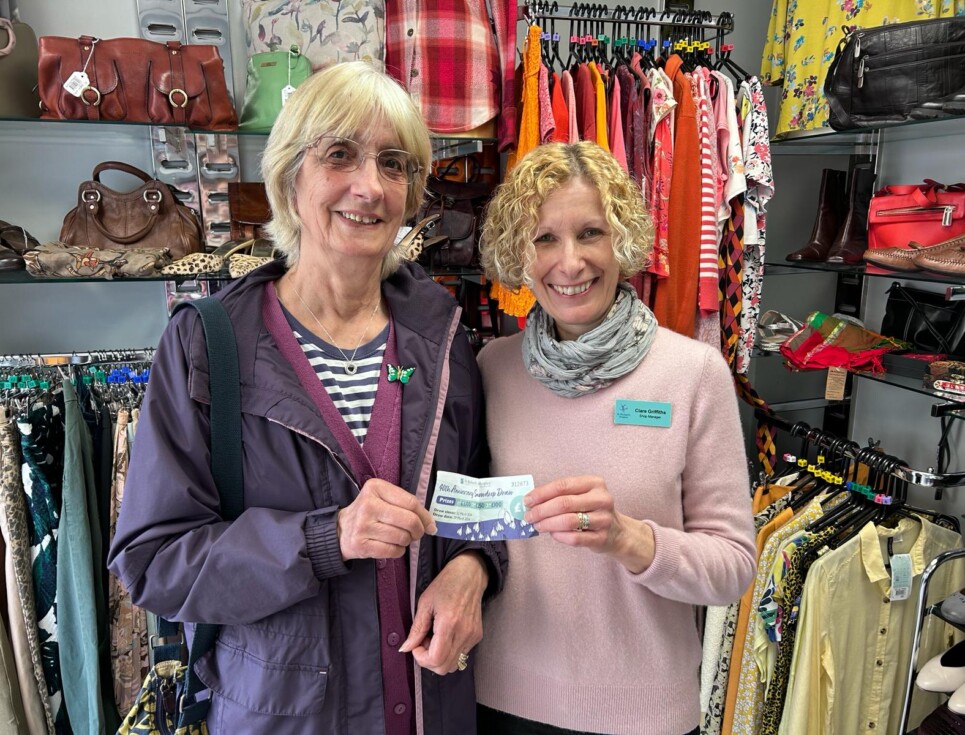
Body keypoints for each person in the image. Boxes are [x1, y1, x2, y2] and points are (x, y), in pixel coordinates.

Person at [107, 61, 506, 734]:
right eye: (340, 155)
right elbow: (152, 562)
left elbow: (476, 495)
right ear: (292, 177)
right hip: (285, 716)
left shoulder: (440, 338)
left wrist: (474, 566)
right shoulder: (208, 347)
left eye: (394, 163)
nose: (369, 186)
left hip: (429, 706)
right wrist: (324, 538)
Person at [473, 141, 756, 735]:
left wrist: (630, 540)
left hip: (643, 714)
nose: (570, 263)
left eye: (590, 233)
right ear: (517, 254)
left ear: (621, 239)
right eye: (544, 238)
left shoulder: (693, 373)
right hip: (499, 701)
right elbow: (473, 531)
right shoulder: (492, 369)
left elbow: (732, 567)